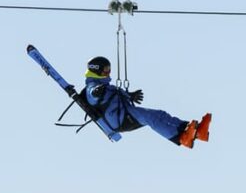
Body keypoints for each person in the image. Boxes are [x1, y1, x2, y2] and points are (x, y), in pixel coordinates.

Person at [27, 45, 212, 148]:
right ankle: (181, 138)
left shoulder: (105, 85)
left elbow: (114, 94)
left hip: (126, 113)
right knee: (150, 118)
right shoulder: (93, 87)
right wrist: (96, 92)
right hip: (119, 120)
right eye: (106, 70)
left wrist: (130, 94)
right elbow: (92, 95)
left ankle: (192, 131)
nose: (109, 73)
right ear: (97, 72)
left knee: (159, 114)